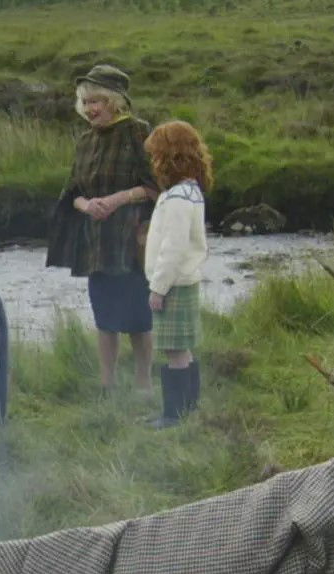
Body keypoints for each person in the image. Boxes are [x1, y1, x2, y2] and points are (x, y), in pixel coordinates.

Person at [47, 64, 159, 393]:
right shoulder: (85, 141)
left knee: (138, 318)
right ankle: (107, 385)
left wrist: (116, 200)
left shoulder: (139, 132)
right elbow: (72, 191)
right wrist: (88, 205)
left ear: (115, 101)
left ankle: (143, 384)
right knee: (105, 318)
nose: (89, 109)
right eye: (85, 102)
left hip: (132, 238)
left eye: (96, 101)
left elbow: (155, 185)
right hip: (96, 241)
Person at [142, 121, 213, 427]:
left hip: (174, 284)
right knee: (182, 347)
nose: (153, 161)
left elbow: (173, 247)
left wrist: (158, 287)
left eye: (155, 155)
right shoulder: (190, 191)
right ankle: (189, 409)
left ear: (169, 156)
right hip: (183, 281)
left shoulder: (178, 198)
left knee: (174, 349)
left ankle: (174, 414)